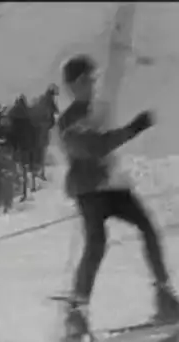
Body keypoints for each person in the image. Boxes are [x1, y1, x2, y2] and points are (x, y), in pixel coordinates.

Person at [57, 54, 179, 339]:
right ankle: (77, 312)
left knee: (147, 228)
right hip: (89, 190)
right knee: (97, 243)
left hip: (113, 186)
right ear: (73, 86)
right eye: (85, 80)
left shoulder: (97, 111)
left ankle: (165, 296)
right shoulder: (69, 121)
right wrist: (133, 129)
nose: (91, 85)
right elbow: (97, 146)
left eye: (92, 79)